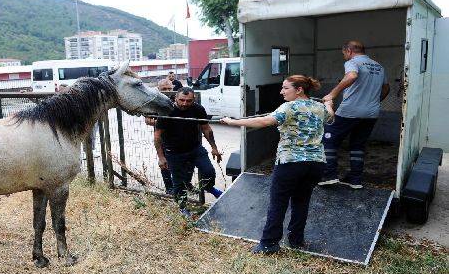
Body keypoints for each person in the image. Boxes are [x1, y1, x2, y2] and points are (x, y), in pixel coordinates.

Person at [221, 75, 334, 254]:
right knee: (301, 202)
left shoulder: (289, 107)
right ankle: (296, 240)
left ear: (299, 90)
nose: (281, 92)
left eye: (285, 88)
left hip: (291, 163)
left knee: (278, 203)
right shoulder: (320, 107)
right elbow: (330, 115)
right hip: (315, 164)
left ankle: (269, 243)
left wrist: (232, 121)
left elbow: (264, 121)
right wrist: (329, 102)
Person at [319, 40, 390, 189]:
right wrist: (372, 102)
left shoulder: (353, 62)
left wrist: (332, 94)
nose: (344, 56)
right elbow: (386, 89)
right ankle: (355, 179)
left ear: (349, 51)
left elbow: (351, 76)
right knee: (358, 144)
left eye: (344, 53)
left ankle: (329, 175)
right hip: (371, 113)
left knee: (328, 139)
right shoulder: (379, 66)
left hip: (350, 111)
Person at [154, 87, 223, 218]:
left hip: (195, 149)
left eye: (188, 101)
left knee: (209, 171)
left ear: (193, 100)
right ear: (175, 98)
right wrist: (161, 157)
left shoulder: (198, 109)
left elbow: (206, 129)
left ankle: (209, 187)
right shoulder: (166, 111)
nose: (185, 103)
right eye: (182, 100)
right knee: (179, 183)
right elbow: (157, 136)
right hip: (174, 152)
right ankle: (183, 207)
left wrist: (214, 147)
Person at [145, 79, 175, 194]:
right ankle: (169, 187)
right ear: (158, 89)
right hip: (162, 138)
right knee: (164, 161)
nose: (167, 91)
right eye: (164, 89)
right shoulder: (154, 102)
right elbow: (148, 120)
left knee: (183, 161)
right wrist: (166, 123)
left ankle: (186, 184)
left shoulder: (178, 99)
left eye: (169, 89)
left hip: (179, 137)